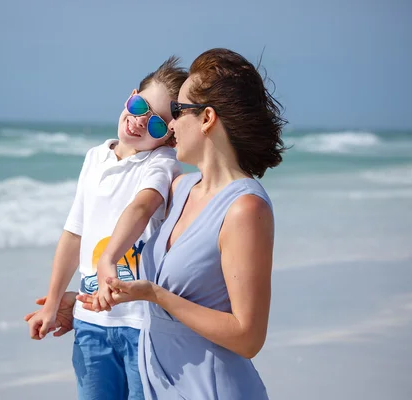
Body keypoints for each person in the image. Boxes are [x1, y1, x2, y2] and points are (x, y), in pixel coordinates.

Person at [77, 48, 287, 399]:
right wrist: (86, 295)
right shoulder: (180, 188)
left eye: (177, 111)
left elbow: (248, 337)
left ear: (206, 118)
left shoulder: (244, 208)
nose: (170, 125)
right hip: (161, 387)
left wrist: (158, 296)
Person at [25, 57, 187, 400]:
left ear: (171, 138)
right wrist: (52, 304)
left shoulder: (160, 163)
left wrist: (109, 258)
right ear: (130, 96)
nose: (140, 121)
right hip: (90, 323)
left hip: (141, 326)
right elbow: (74, 234)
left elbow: (142, 206)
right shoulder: (94, 158)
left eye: (157, 124)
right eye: (139, 105)